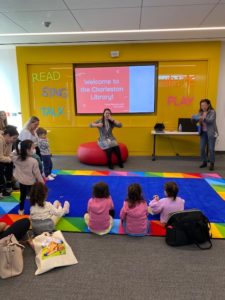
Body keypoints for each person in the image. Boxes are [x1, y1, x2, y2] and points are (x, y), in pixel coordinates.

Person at [12, 139, 44, 215]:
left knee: (22, 196)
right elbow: (37, 174)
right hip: (31, 182)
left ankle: (21, 210)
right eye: (33, 148)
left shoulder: (17, 159)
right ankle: (33, 210)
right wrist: (42, 182)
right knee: (33, 196)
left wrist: (19, 151)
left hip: (21, 181)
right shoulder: (33, 161)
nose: (34, 149)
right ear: (27, 150)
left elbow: (11, 155)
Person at [192, 99, 218, 171]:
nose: (203, 106)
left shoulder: (212, 112)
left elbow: (210, 121)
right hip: (203, 133)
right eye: (201, 105)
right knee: (202, 148)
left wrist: (203, 119)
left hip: (211, 133)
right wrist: (193, 118)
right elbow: (194, 121)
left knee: (211, 149)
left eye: (204, 105)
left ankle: (212, 163)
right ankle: (204, 161)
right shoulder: (200, 112)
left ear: (208, 105)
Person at [0, 125, 19, 198]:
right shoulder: (0, 140)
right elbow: (0, 157)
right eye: (14, 138)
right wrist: (11, 158)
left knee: (10, 162)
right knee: (1, 167)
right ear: (7, 135)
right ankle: (1, 189)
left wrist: (12, 158)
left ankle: (9, 184)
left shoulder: (9, 141)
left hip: (2, 158)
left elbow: (8, 154)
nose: (14, 140)